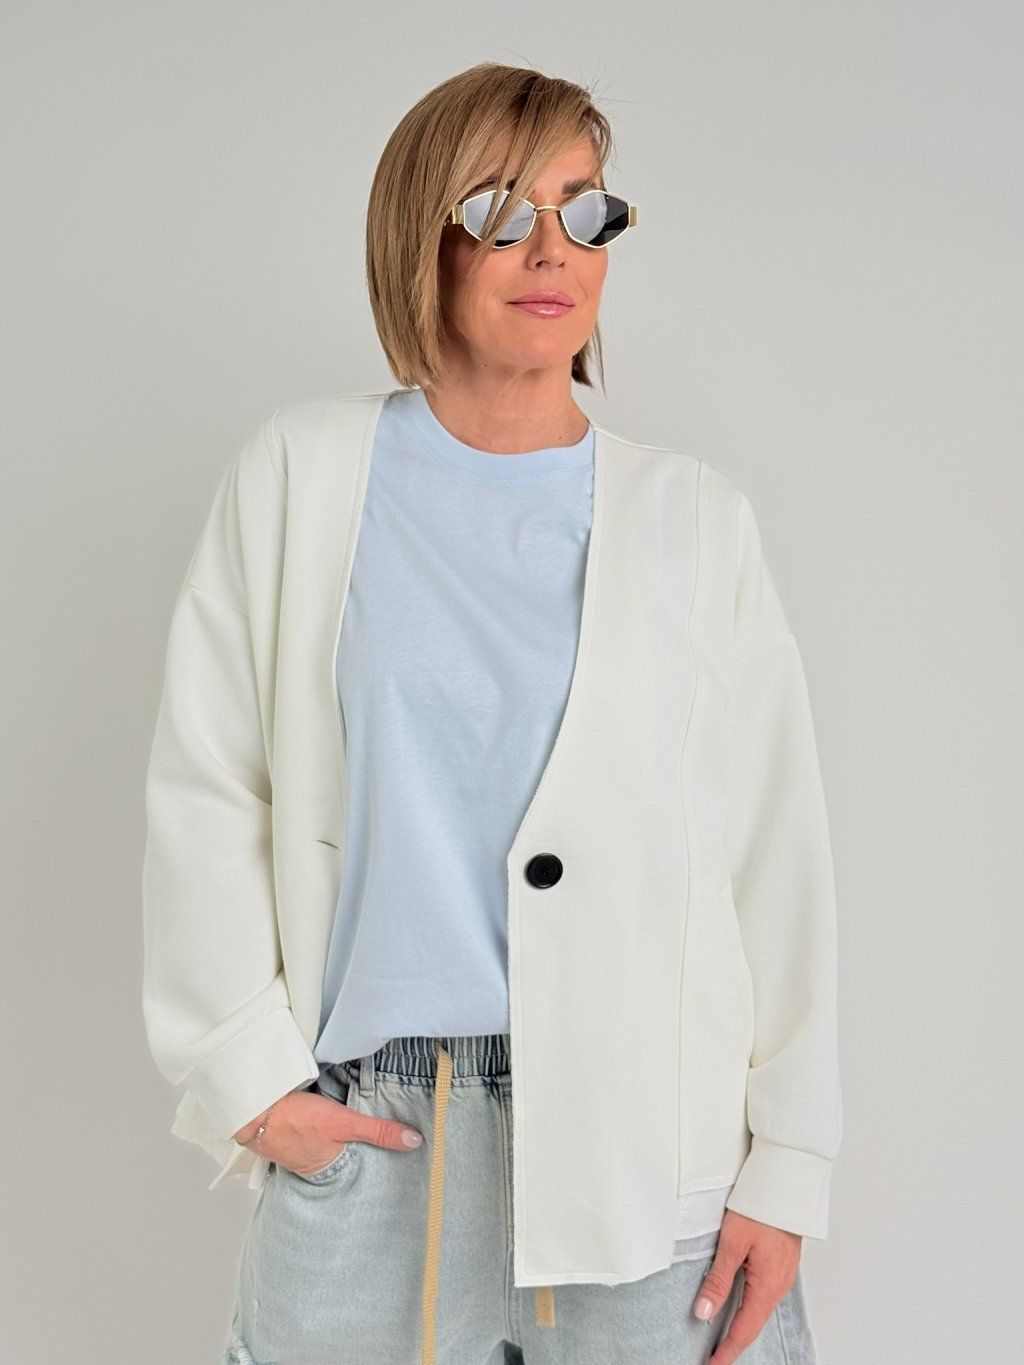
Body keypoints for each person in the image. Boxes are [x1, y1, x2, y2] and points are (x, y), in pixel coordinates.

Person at [142, 62, 840, 1365]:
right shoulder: (301, 476)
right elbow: (209, 786)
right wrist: (248, 1081)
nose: (550, 249)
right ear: (424, 236)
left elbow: (774, 852)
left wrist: (788, 1162)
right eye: (501, 210)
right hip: (377, 1143)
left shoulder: (695, 521)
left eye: (585, 209)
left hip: (652, 1161)